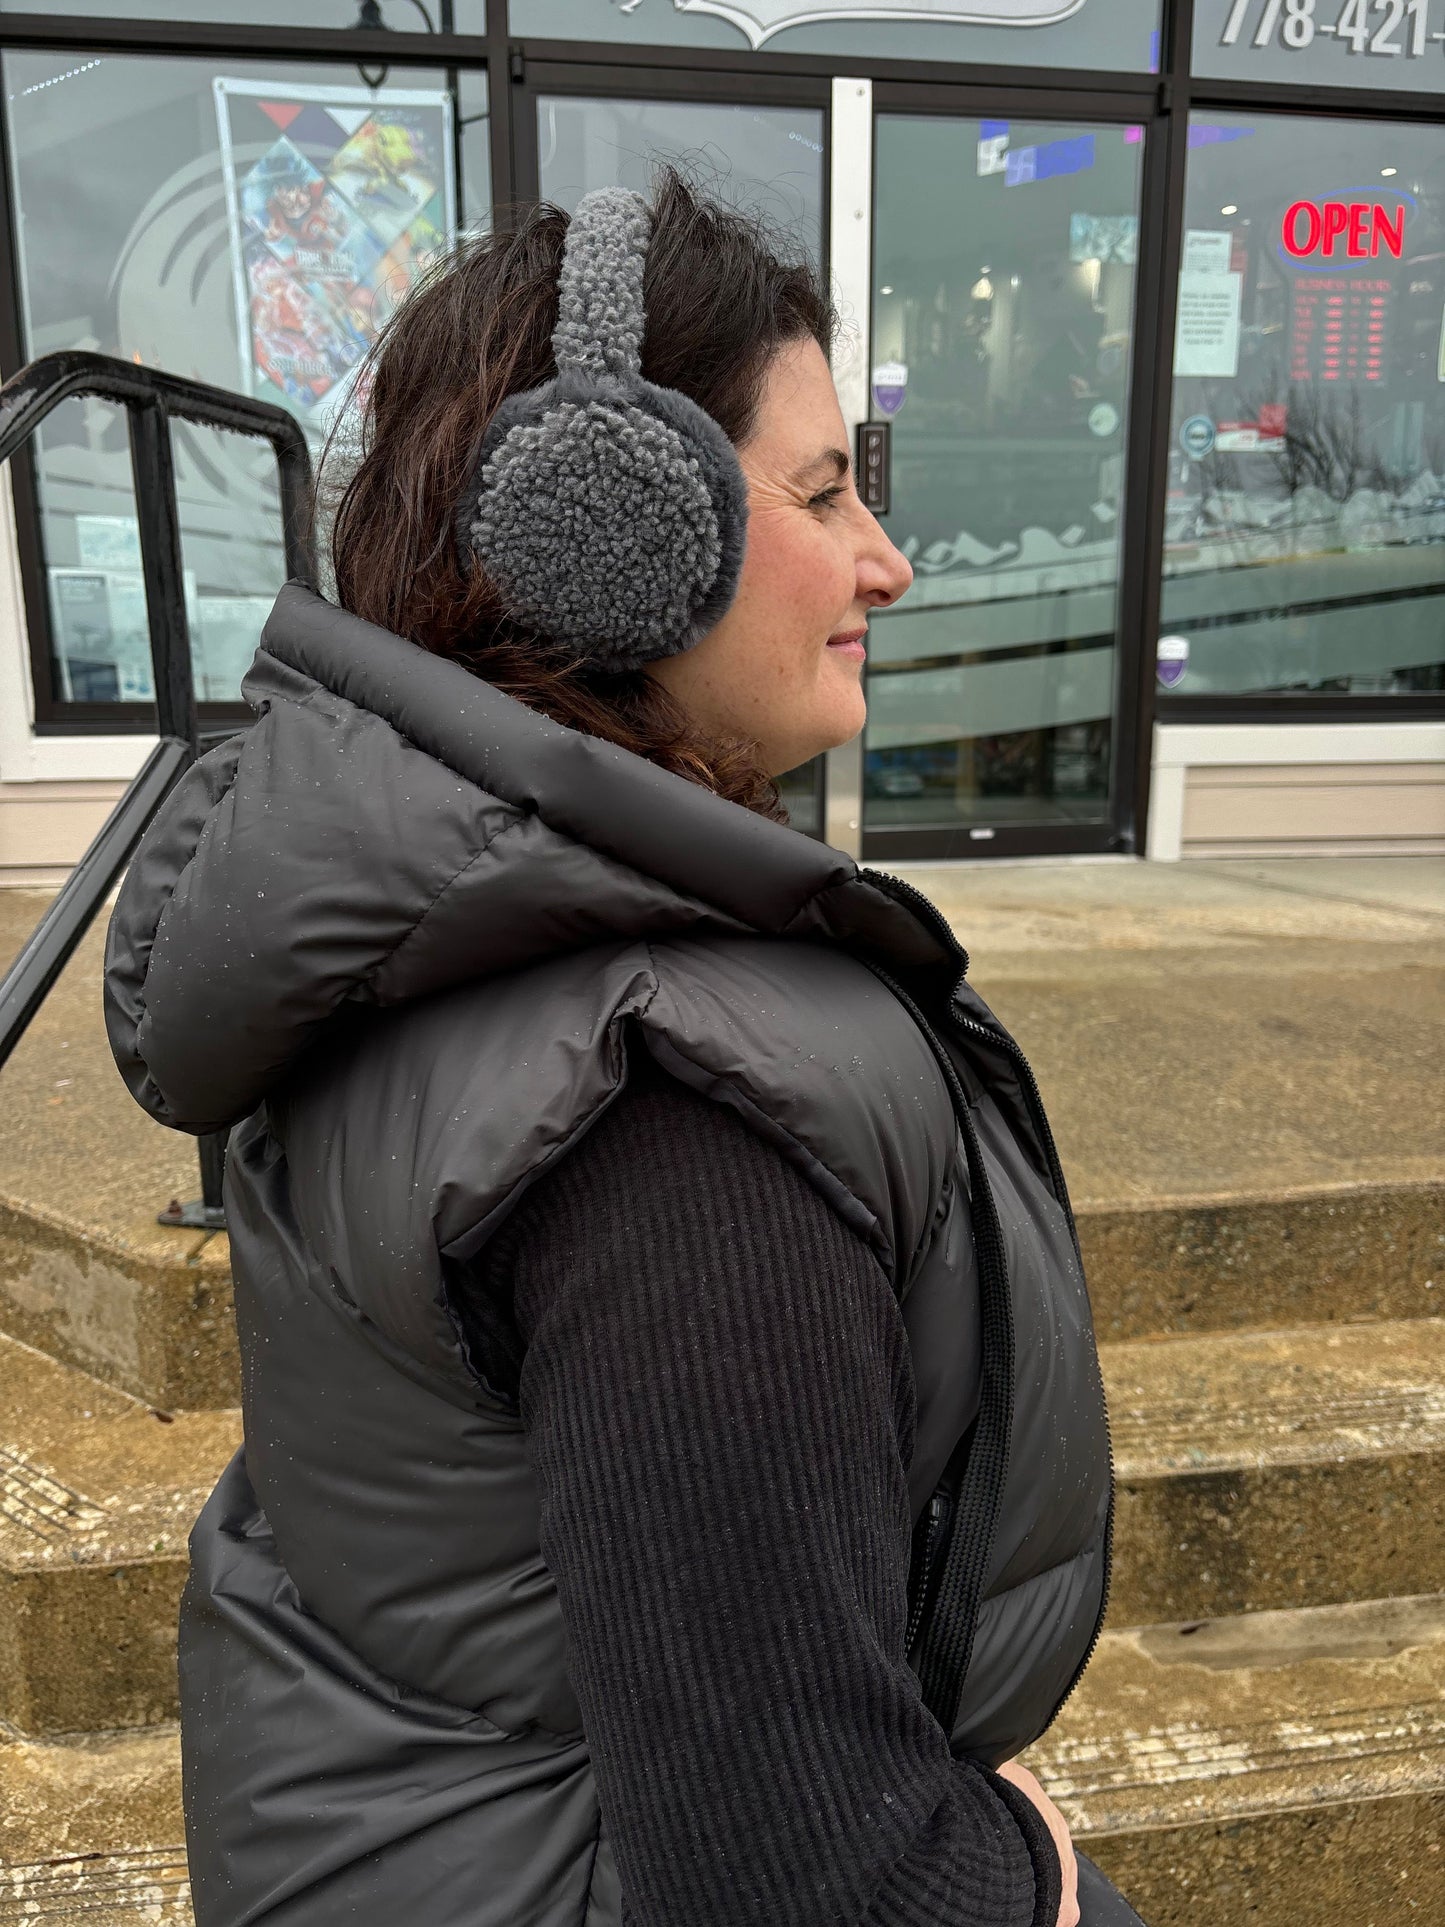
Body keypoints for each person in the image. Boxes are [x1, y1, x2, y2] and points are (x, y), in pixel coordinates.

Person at [104, 170, 1128, 1926]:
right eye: (819, 491)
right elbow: (810, 1881)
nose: (886, 560)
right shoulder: (666, 1094)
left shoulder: (434, 950)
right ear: (608, 528)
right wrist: (1036, 1880)